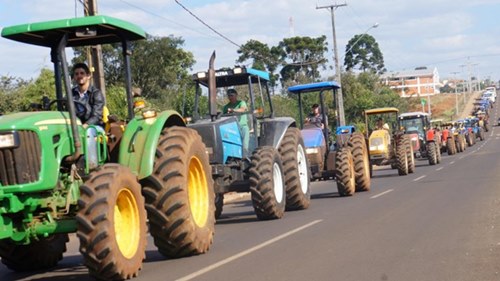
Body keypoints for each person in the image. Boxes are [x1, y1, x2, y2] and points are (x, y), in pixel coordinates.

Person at [72, 63, 105, 128]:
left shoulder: (96, 94)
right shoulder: (71, 93)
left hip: (93, 127)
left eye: (82, 73)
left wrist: (85, 126)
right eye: (76, 74)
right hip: (76, 127)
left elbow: (97, 116)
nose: (79, 76)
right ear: (74, 77)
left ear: (88, 76)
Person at [223, 89, 250, 153]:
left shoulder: (241, 103)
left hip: (242, 126)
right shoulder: (226, 107)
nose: (230, 97)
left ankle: (245, 152)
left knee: (245, 132)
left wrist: (233, 110)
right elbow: (223, 116)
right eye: (229, 96)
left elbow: (243, 110)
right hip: (232, 128)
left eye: (232, 95)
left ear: (236, 95)